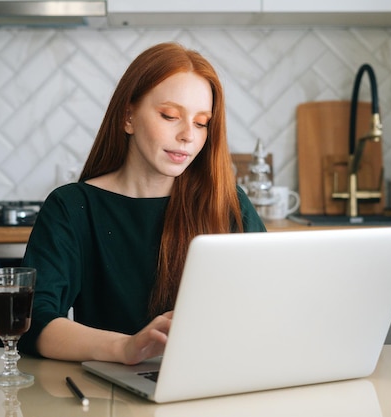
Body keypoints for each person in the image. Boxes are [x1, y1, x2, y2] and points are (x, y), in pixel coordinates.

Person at [21, 42, 266, 365]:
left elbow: (269, 300)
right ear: (128, 117)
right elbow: (32, 320)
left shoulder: (228, 203)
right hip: (106, 398)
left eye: (201, 123)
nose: (188, 136)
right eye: (170, 116)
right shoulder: (73, 206)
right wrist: (124, 348)